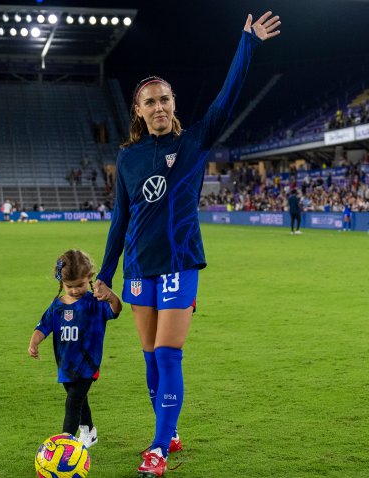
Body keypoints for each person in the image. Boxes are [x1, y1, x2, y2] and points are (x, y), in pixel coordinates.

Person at [92, 11, 281, 477]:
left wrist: (247, 44)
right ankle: (169, 429)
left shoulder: (196, 141)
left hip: (180, 264)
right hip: (138, 267)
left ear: (174, 104)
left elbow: (227, 97)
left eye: (164, 100)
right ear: (138, 110)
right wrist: (105, 273)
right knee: (150, 358)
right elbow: (120, 221)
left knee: (169, 353)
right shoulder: (128, 159)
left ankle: (158, 447)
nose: (158, 107)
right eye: (149, 102)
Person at [28, 250, 122, 448]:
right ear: (61, 282)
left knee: (73, 403)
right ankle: (89, 432)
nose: (76, 290)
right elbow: (43, 326)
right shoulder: (57, 306)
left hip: (88, 363)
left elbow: (115, 311)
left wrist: (111, 297)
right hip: (65, 364)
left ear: (89, 278)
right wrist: (34, 342)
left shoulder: (94, 303)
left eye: (80, 285)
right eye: (70, 286)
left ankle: (65, 444)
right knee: (79, 400)